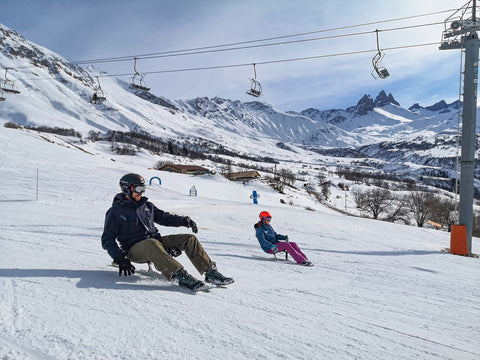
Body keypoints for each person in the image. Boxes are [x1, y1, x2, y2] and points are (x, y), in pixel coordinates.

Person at [101, 173, 234, 291]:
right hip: (134, 250)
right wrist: (119, 258)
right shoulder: (115, 212)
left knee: (189, 239)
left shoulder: (146, 206)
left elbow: (165, 217)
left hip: (155, 244)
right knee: (151, 243)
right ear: (126, 189)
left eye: (143, 189)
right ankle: (181, 276)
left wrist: (184, 221)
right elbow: (107, 239)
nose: (141, 193)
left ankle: (210, 272)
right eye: (138, 189)